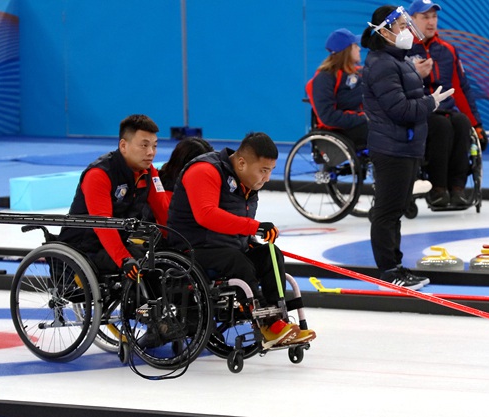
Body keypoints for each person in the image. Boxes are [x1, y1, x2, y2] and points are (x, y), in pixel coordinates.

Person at [167, 132, 316, 348]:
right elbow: (206, 215)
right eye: (263, 171)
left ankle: (279, 321)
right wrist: (253, 227)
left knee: (270, 255)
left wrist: (251, 239)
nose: (267, 178)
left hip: (227, 247)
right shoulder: (204, 170)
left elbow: (235, 224)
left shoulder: (247, 183)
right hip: (191, 249)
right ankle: (266, 324)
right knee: (238, 261)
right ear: (242, 162)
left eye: (271, 171)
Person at [361, 5, 451, 290]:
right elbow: (399, 109)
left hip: (405, 146)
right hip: (391, 148)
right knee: (387, 212)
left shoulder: (395, 61)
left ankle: (396, 265)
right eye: (400, 25)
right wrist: (430, 103)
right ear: (385, 31)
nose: (406, 31)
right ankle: (388, 271)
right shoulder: (382, 63)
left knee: (396, 210)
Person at [58, 114, 169, 279]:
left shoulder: (149, 173)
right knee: (146, 272)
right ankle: (140, 306)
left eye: (154, 146)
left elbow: (164, 211)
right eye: (144, 146)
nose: (151, 152)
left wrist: (181, 244)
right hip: (85, 250)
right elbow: (102, 224)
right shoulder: (99, 174)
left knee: (163, 263)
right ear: (123, 146)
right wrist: (124, 259)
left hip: (118, 243)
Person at [408, 0, 488, 207]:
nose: (431, 22)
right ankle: (438, 188)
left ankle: (457, 188)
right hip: (419, 109)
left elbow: (460, 89)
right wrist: (414, 74)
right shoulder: (403, 50)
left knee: (462, 123)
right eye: (425, 17)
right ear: (412, 19)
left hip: (445, 108)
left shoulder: (448, 50)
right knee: (441, 126)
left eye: (434, 17)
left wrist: (477, 125)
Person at [306, 28, 367, 149]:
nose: (359, 49)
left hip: (357, 123)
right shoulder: (325, 77)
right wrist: (363, 117)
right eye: (355, 46)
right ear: (347, 50)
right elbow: (328, 117)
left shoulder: (357, 72)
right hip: (340, 131)